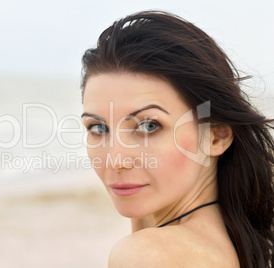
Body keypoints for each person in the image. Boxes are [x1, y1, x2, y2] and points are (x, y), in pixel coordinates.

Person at [80, 11, 273, 268]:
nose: (116, 160)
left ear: (216, 135)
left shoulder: (148, 255)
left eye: (149, 126)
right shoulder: (231, 246)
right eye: (99, 127)